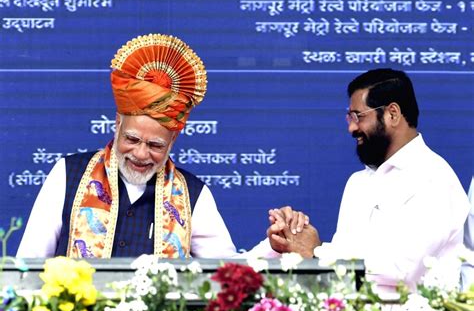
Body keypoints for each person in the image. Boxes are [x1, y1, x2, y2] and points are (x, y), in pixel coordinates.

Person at [17, 33, 308, 259]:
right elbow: (27, 265)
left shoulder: (193, 194)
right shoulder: (68, 175)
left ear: (173, 139)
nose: (141, 154)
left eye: (155, 145)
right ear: (117, 123)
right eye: (131, 139)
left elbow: (226, 273)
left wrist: (274, 247)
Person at [271, 68, 470, 290]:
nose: (351, 128)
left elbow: (401, 271)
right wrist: (293, 238)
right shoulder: (358, 183)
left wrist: (316, 251)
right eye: (349, 117)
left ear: (392, 114)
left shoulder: (435, 179)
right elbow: (342, 270)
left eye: (358, 116)